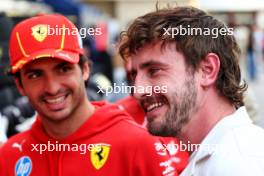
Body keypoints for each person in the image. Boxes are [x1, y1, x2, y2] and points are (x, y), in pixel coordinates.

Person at [0, 14, 181, 176]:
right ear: (20, 85)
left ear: (85, 69)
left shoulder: (137, 146)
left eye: (63, 69)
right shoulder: (9, 156)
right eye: (35, 75)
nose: (52, 87)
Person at [119, 6, 264, 176]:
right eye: (134, 74)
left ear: (207, 70)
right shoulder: (219, 156)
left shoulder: (238, 165)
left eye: (154, 70)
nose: (138, 91)